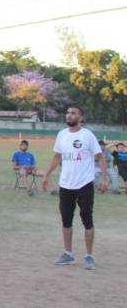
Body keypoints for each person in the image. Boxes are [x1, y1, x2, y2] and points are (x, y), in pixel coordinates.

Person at [41, 105, 108, 270]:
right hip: (65, 184)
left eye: (73, 113)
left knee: (87, 219)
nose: (69, 115)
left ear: (80, 117)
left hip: (84, 184)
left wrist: (104, 179)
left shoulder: (88, 135)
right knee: (66, 220)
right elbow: (57, 157)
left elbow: (100, 157)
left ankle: (89, 256)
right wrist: (46, 174)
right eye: (68, 113)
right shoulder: (61, 135)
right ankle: (68, 254)